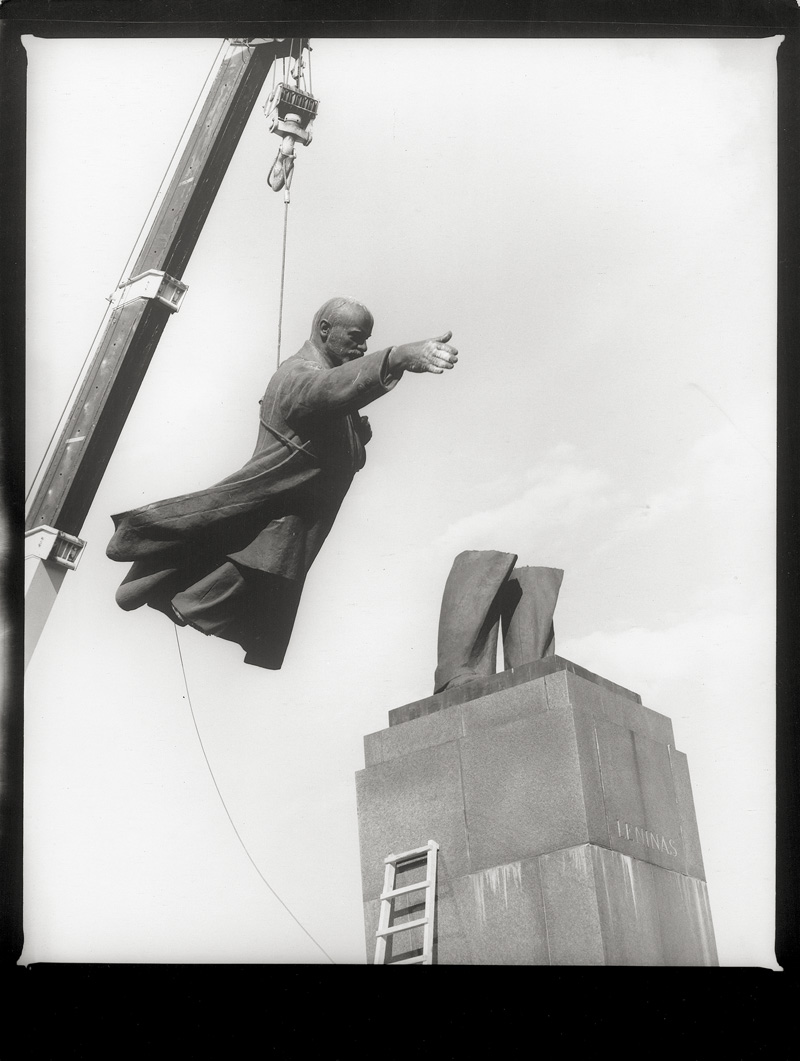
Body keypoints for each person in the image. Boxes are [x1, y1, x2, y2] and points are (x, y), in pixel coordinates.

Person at [106, 297, 458, 668]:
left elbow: (327, 428)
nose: (363, 347)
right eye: (356, 337)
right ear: (324, 330)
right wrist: (397, 357)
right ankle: (155, 584)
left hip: (291, 531)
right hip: (273, 525)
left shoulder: (321, 376)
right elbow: (324, 391)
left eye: (368, 341)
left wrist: (355, 438)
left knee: (253, 587)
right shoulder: (297, 374)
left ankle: (163, 586)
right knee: (235, 574)